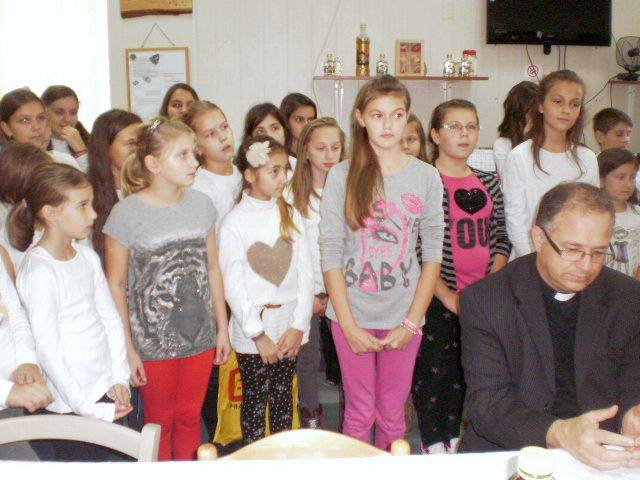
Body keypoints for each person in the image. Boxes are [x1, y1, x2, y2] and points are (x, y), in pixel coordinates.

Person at [459, 182, 640, 471]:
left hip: (602, 450)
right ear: (539, 238)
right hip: (512, 451)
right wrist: (559, 432)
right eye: (573, 250)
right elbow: (487, 403)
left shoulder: (627, 296)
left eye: (598, 253)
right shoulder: (486, 300)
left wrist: (633, 411)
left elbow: (634, 373)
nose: (586, 266)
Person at [319, 75, 444, 449]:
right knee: (359, 412)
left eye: (397, 114)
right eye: (377, 115)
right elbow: (331, 253)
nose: (388, 124)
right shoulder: (341, 175)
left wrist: (411, 322)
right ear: (360, 118)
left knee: (392, 414)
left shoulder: (426, 176)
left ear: (408, 117)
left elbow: (432, 256)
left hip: (404, 315)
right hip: (350, 314)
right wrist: (348, 324)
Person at [103, 118, 230, 460]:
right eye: (182, 155)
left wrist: (222, 328)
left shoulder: (202, 204)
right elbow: (116, 285)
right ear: (153, 163)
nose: (194, 162)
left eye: (194, 154)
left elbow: (213, 268)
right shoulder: (125, 213)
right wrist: (127, 347)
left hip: (200, 337)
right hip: (151, 343)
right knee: (159, 423)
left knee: (189, 417)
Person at [13, 163, 131, 461]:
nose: (93, 215)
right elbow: (48, 349)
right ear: (50, 212)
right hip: (70, 407)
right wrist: (88, 409)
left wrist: (120, 378)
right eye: (82, 206)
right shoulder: (40, 271)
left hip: (105, 391)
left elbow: (110, 319)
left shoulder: (87, 257)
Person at [412, 99, 511, 454]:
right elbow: (418, 247)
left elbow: (501, 237)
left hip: (481, 295)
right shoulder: (424, 181)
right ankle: (433, 440)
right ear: (435, 135)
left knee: (476, 371)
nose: (464, 133)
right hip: (438, 295)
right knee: (436, 370)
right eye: (454, 126)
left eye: (470, 126)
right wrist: (447, 297)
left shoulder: (488, 181)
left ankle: (460, 439)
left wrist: (488, 288)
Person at [219, 136, 313, 443]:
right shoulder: (234, 223)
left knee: (284, 397)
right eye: (274, 171)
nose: (283, 177)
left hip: (288, 323)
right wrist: (257, 334)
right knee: (256, 400)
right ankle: (256, 460)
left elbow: (305, 273)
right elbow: (233, 286)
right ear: (250, 175)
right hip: (252, 329)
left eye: (285, 169)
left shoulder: (291, 214)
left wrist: (298, 326)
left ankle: (282, 460)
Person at [501, 70, 599, 258]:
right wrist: (537, 263)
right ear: (540, 105)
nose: (566, 110)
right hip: (530, 259)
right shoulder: (519, 157)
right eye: (557, 101)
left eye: (574, 104)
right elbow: (515, 222)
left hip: (576, 260)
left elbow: (593, 214)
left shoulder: (587, 158)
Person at [288, 117, 345, 428]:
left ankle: (352, 419)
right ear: (306, 151)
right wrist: (310, 296)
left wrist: (337, 294)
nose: (329, 155)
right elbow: (293, 251)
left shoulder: (350, 190)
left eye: (335, 148)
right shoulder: (292, 195)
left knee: (346, 359)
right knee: (308, 359)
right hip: (306, 293)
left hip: (344, 291)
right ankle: (310, 415)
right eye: (321, 148)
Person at [87, 109, 142, 266]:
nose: (139, 150)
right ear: (106, 148)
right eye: (131, 143)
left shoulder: (153, 190)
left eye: (142, 143)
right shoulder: (87, 196)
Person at [183, 101, 242, 229]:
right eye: (210, 134)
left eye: (224, 127)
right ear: (197, 147)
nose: (223, 137)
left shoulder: (244, 173)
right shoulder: (199, 189)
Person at [0, 88, 80, 170]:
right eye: (24, 120)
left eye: (41, 118)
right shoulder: (4, 167)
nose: (36, 127)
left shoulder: (65, 162)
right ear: (6, 128)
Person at [598, 148, 640, 278]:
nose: (628, 184)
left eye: (632, 177)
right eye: (621, 177)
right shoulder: (594, 217)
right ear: (601, 180)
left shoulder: (638, 213)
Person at [493, 81, 539, 177]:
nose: (536, 118)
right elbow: (508, 179)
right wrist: (527, 139)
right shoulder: (502, 144)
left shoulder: (547, 140)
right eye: (531, 113)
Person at [42, 85, 91, 171]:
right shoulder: (37, 146)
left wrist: (82, 151)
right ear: (43, 113)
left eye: (73, 113)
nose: (67, 119)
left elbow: (96, 177)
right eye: (59, 112)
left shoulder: (91, 142)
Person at [243, 102, 295, 172]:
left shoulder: (297, 166)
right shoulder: (246, 171)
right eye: (260, 132)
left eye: (275, 128)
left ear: (285, 131)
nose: (269, 136)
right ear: (251, 138)